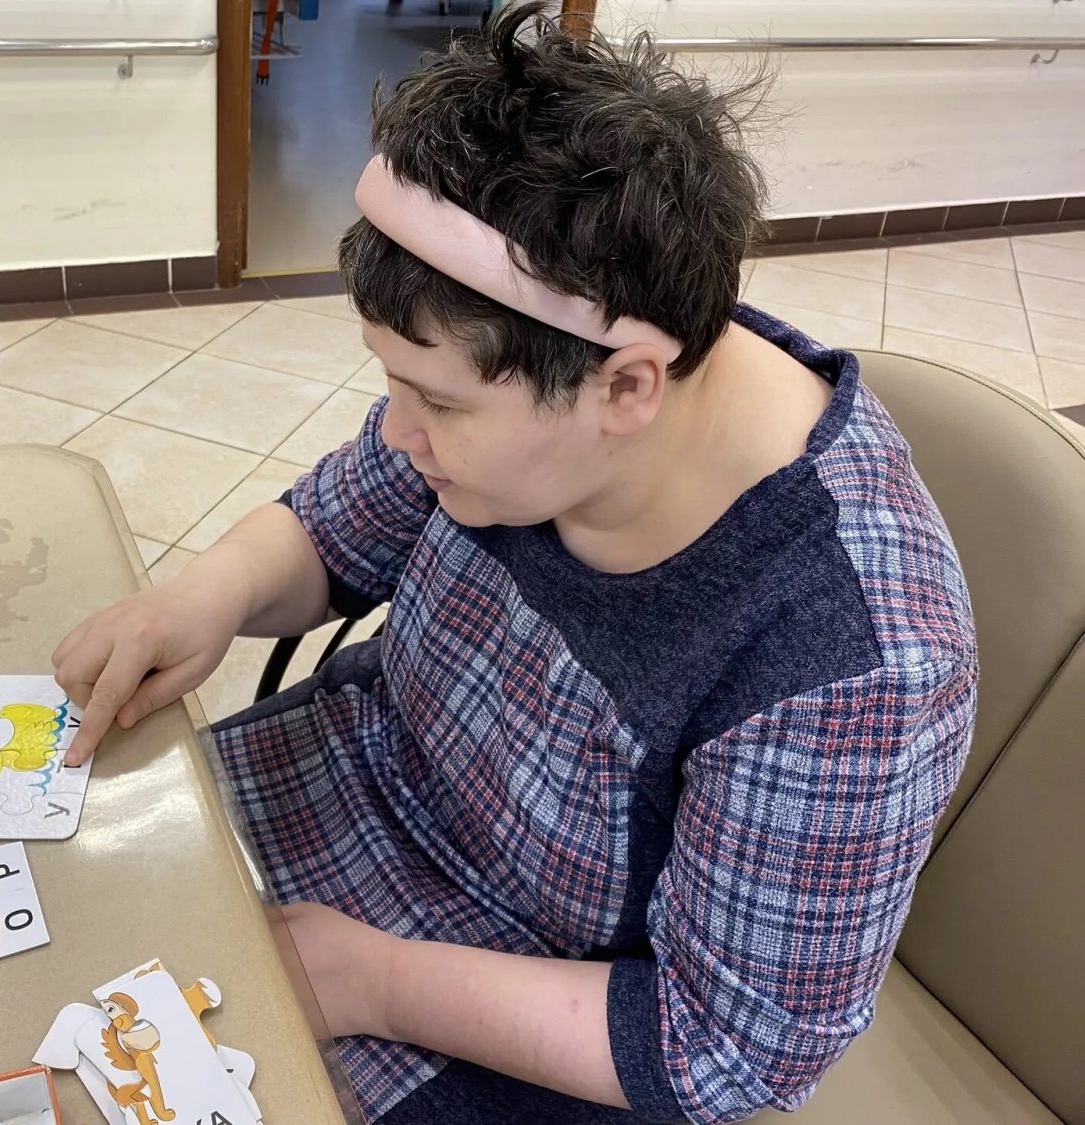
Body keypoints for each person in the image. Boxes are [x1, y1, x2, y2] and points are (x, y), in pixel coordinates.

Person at [53, 8, 978, 1124]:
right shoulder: (557, 351)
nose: (400, 433)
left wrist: (371, 980)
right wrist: (208, 595)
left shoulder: (853, 659)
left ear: (626, 389)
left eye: (438, 403)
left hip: (534, 1005)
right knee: (46, 937)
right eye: (392, 384)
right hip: (358, 772)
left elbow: (720, 1051)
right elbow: (338, 531)